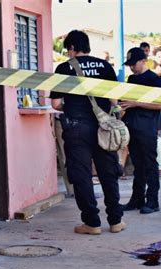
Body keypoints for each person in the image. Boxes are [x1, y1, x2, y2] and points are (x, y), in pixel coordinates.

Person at [50, 30, 125, 234]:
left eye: (68, 50)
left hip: (76, 127)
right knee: (108, 172)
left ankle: (92, 223)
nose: (68, 53)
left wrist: (73, 107)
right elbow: (114, 101)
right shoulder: (104, 66)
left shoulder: (64, 68)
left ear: (72, 48)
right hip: (103, 127)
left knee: (81, 174)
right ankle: (116, 221)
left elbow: (56, 104)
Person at [120, 47, 161, 214]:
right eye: (130, 65)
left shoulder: (156, 79)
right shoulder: (131, 78)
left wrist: (136, 103)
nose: (132, 68)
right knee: (137, 164)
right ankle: (137, 199)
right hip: (132, 125)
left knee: (150, 164)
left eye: (134, 64)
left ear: (143, 61)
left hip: (147, 127)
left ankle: (152, 200)